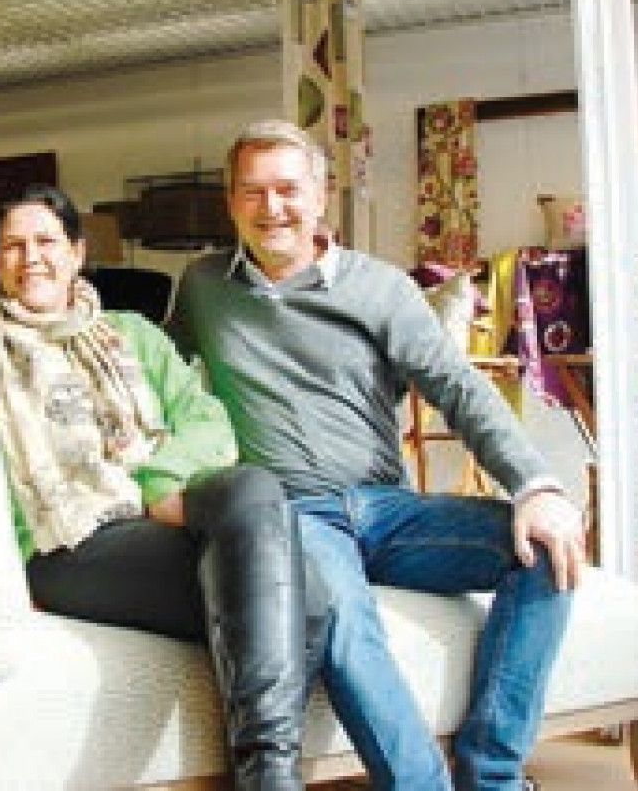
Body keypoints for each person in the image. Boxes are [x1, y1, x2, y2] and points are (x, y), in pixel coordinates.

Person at [0, 183, 308, 790]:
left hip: (154, 514)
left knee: (254, 491)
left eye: (46, 241)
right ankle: (272, 776)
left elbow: (208, 423)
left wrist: (157, 484)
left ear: (77, 253)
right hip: (67, 545)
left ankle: (269, 777)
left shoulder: (133, 334)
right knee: (296, 593)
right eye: (14, 246)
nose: (32, 258)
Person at [169, 119, 586, 791]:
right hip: (290, 515)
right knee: (342, 620)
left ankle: (492, 773)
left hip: (385, 508)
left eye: (286, 189)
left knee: (545, 553)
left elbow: (457, 386)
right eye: (252, 193)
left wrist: (535, 486)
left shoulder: (379, 287)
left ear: (321, 195)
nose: (271, 208)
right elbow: (160, 381)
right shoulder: (202, 286)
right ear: (229, 202)